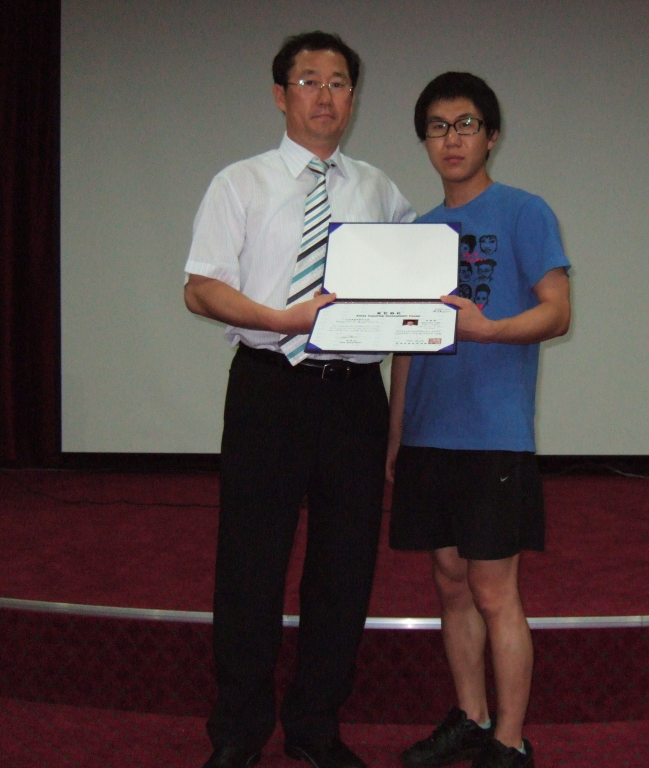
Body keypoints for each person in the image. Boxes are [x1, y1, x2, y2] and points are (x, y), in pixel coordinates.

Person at [184, 31, 415, 768]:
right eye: (309, 80)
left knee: (344, 569)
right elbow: (200, 287)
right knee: (250, 564)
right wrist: (279, 319)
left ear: (354, 97)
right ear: (281, 95)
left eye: (339, 82)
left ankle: (315, 725)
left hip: (353, 396)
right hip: (269, 387)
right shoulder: (239, 183)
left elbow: (412, 295)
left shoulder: (380, 190)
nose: (326, 95)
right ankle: (239, 730)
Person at [387, 72, 571, 768]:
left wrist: (488, 329)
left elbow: (557, 312)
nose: (452, 139)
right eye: (438, 127)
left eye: (465, 124)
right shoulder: (418, 232)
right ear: (425, 141)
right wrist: (397, 434)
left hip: (494, 435)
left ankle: (510, 741)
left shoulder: (525, 212)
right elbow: (406, 341)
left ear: (491, 136)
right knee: (449, 583)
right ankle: (470, 717)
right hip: (428, 434)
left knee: (495, 592)